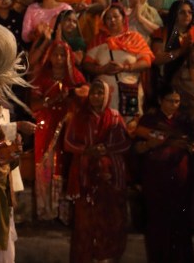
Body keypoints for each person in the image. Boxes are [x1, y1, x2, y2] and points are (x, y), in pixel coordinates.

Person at [64, 79, 130, 263]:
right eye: (93, 92)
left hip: (111, 180)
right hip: (85, 179)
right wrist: (87, 150)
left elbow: (126, 143)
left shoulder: (116, 117)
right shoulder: (79, 117)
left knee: (111, 222)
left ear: (108, 95)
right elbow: (68, 143)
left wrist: (106, 149)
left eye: (101, 93)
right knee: (84, 225)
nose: (96, 97)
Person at [135, 90, 194, 263]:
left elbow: (189, 141)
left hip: (179, 179)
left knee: (180, 223)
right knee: (158, 223)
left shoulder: (184, 120)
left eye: (177, 101)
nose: (174, 105)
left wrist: (189, 146)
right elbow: (139, 143)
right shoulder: (150, 120)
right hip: (156, 179)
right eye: (170, 100)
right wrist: (152, 143)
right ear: (160, 99)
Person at [30, 40, 86, 220]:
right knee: (46, 161)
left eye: (63, 55)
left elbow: (85, 102)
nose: (59, 58)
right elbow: (33, 105)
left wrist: (73, 97)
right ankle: (47, 210)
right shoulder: (42, 78)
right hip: (46, 124)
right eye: (56, 54)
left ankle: (65, 213)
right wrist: (53, 100)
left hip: (69, 125)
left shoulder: (76, 77)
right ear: (50, 56)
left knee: (67, 162)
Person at [83, 5, 154, 117]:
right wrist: (102, 69)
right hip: (104, 95)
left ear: (123, 18)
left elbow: (147, 61)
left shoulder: (135, 38)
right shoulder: (97, 40)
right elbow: (86, 64)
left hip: (130, 91)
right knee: (105, 125)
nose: (112, 20)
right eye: (108, 18)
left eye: (116, 16)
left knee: (130, 126)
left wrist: (125, 68)